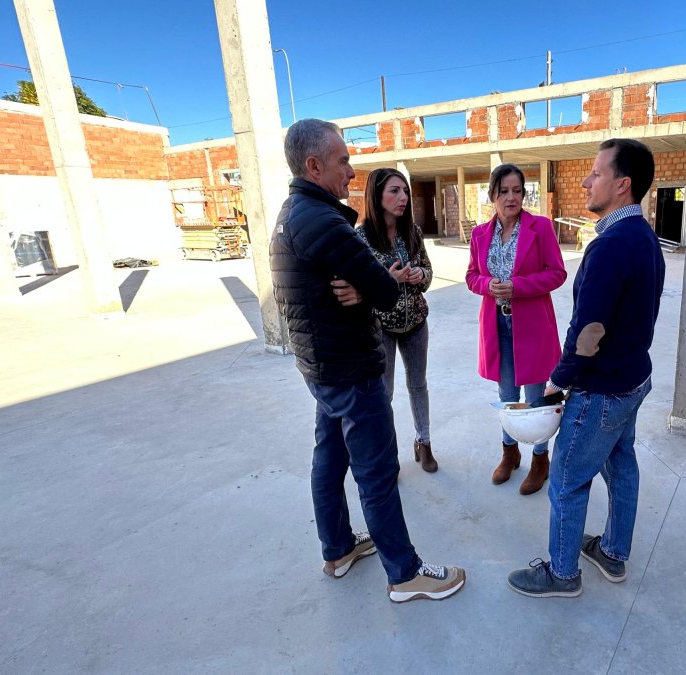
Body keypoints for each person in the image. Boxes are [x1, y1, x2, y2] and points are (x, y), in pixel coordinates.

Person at [270, 119, 464, 603]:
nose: (351, 172)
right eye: (342, 161)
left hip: (321, 366)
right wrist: (373, 282)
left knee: (329, 456)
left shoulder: (292, 212)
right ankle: (405, 574)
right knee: (376, 472)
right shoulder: (322, 220)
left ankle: (337, 550)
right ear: (313, 166)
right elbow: (382, 288)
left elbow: (362, 284)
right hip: (351, 369)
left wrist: (368, 281)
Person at [507, 139, 664, 598]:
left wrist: (557, 382)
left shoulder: (611, 246)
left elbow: (588, 332)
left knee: (568, 479)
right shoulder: (645, 237)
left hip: (602, 390)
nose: (585, 181)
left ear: (622, 184)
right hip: (633, 379)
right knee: (622, 466)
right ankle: (613, 553)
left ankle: (561, 573)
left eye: (595, 173)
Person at [465, 164, 566, 496]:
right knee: (507, 397)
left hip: (533, 325)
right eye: (504, 191)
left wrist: (517, 286)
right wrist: (488, 284)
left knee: (536, 399)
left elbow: (557, 273)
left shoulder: (540, 227)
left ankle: (540, 459)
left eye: (517, 191)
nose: (511, 197)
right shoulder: (480, 234)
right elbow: (471, 277)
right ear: (492, 194)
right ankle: (510, 453)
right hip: (498, 326)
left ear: (525, 194)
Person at [356, 168, 438, 473]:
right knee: (383, 393)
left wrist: (419, 275)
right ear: (377, 196)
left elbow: (428, 274)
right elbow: (356, 288)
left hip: (416, 322)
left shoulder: (412, 232)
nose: (403, 197)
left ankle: (424, 442)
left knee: (419, 384)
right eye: (394, 191)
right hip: (380, 328)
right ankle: (386, 454)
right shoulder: (360, 237)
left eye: (404, 191)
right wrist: (386, 280)